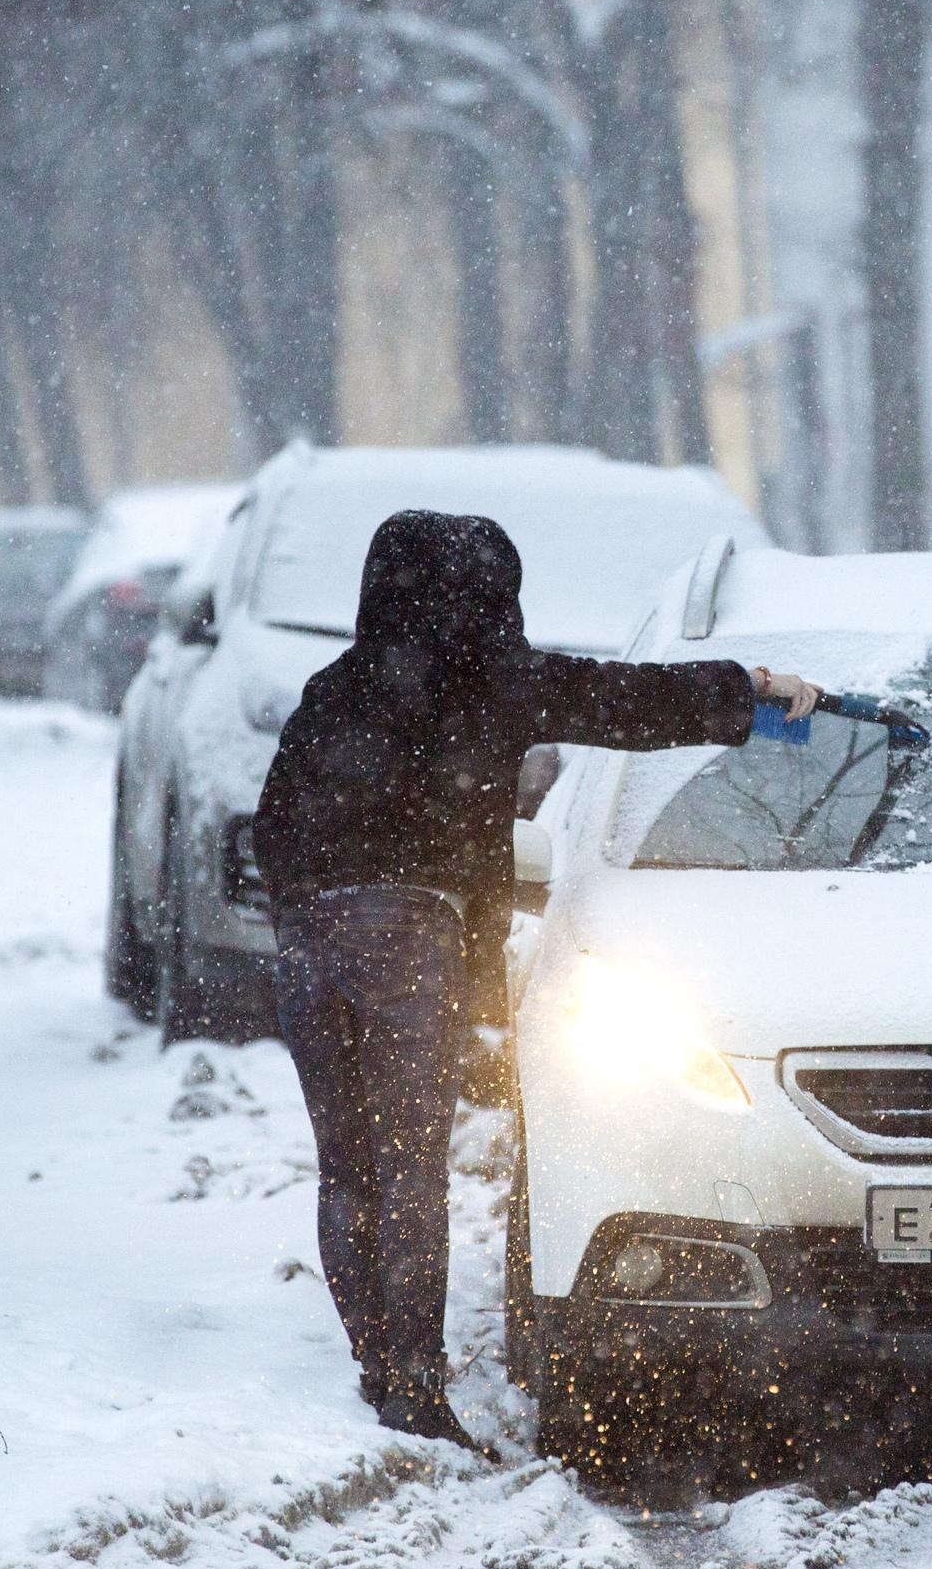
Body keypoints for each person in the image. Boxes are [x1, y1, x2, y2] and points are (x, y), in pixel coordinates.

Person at [252, 511, 819, 1449]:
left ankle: (375, 1363)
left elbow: (270, 827)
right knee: (409, 1166)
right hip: (408, 933)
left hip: (309, 935)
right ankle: (414, 1389)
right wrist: (751, 690)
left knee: (347, 1163)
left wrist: (317, 897)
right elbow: (631, 701)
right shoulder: (494, 682)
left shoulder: (335, 686)